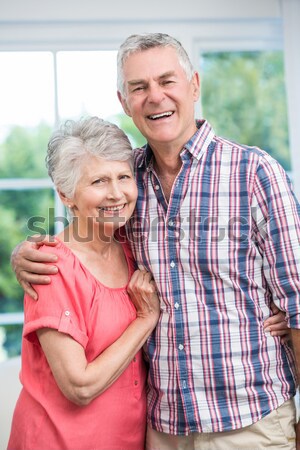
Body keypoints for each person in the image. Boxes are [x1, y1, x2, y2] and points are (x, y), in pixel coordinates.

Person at [11, 33, 300, 449]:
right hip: (163, 427)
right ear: (124, 101)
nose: (155, 97)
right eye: (138, 87)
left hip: (249, 422)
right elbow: (84, 241)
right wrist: (24, 252)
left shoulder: (254, 172)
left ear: (194, 85)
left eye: (167, 81)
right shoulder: (130, 181)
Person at [7, 116, 160, 450]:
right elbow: (80, 386)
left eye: (123, 177)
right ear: (65, 194)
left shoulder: (132, 247)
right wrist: (145, 320)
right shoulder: (51, 267)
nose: (116, 193)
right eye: (99, 182)